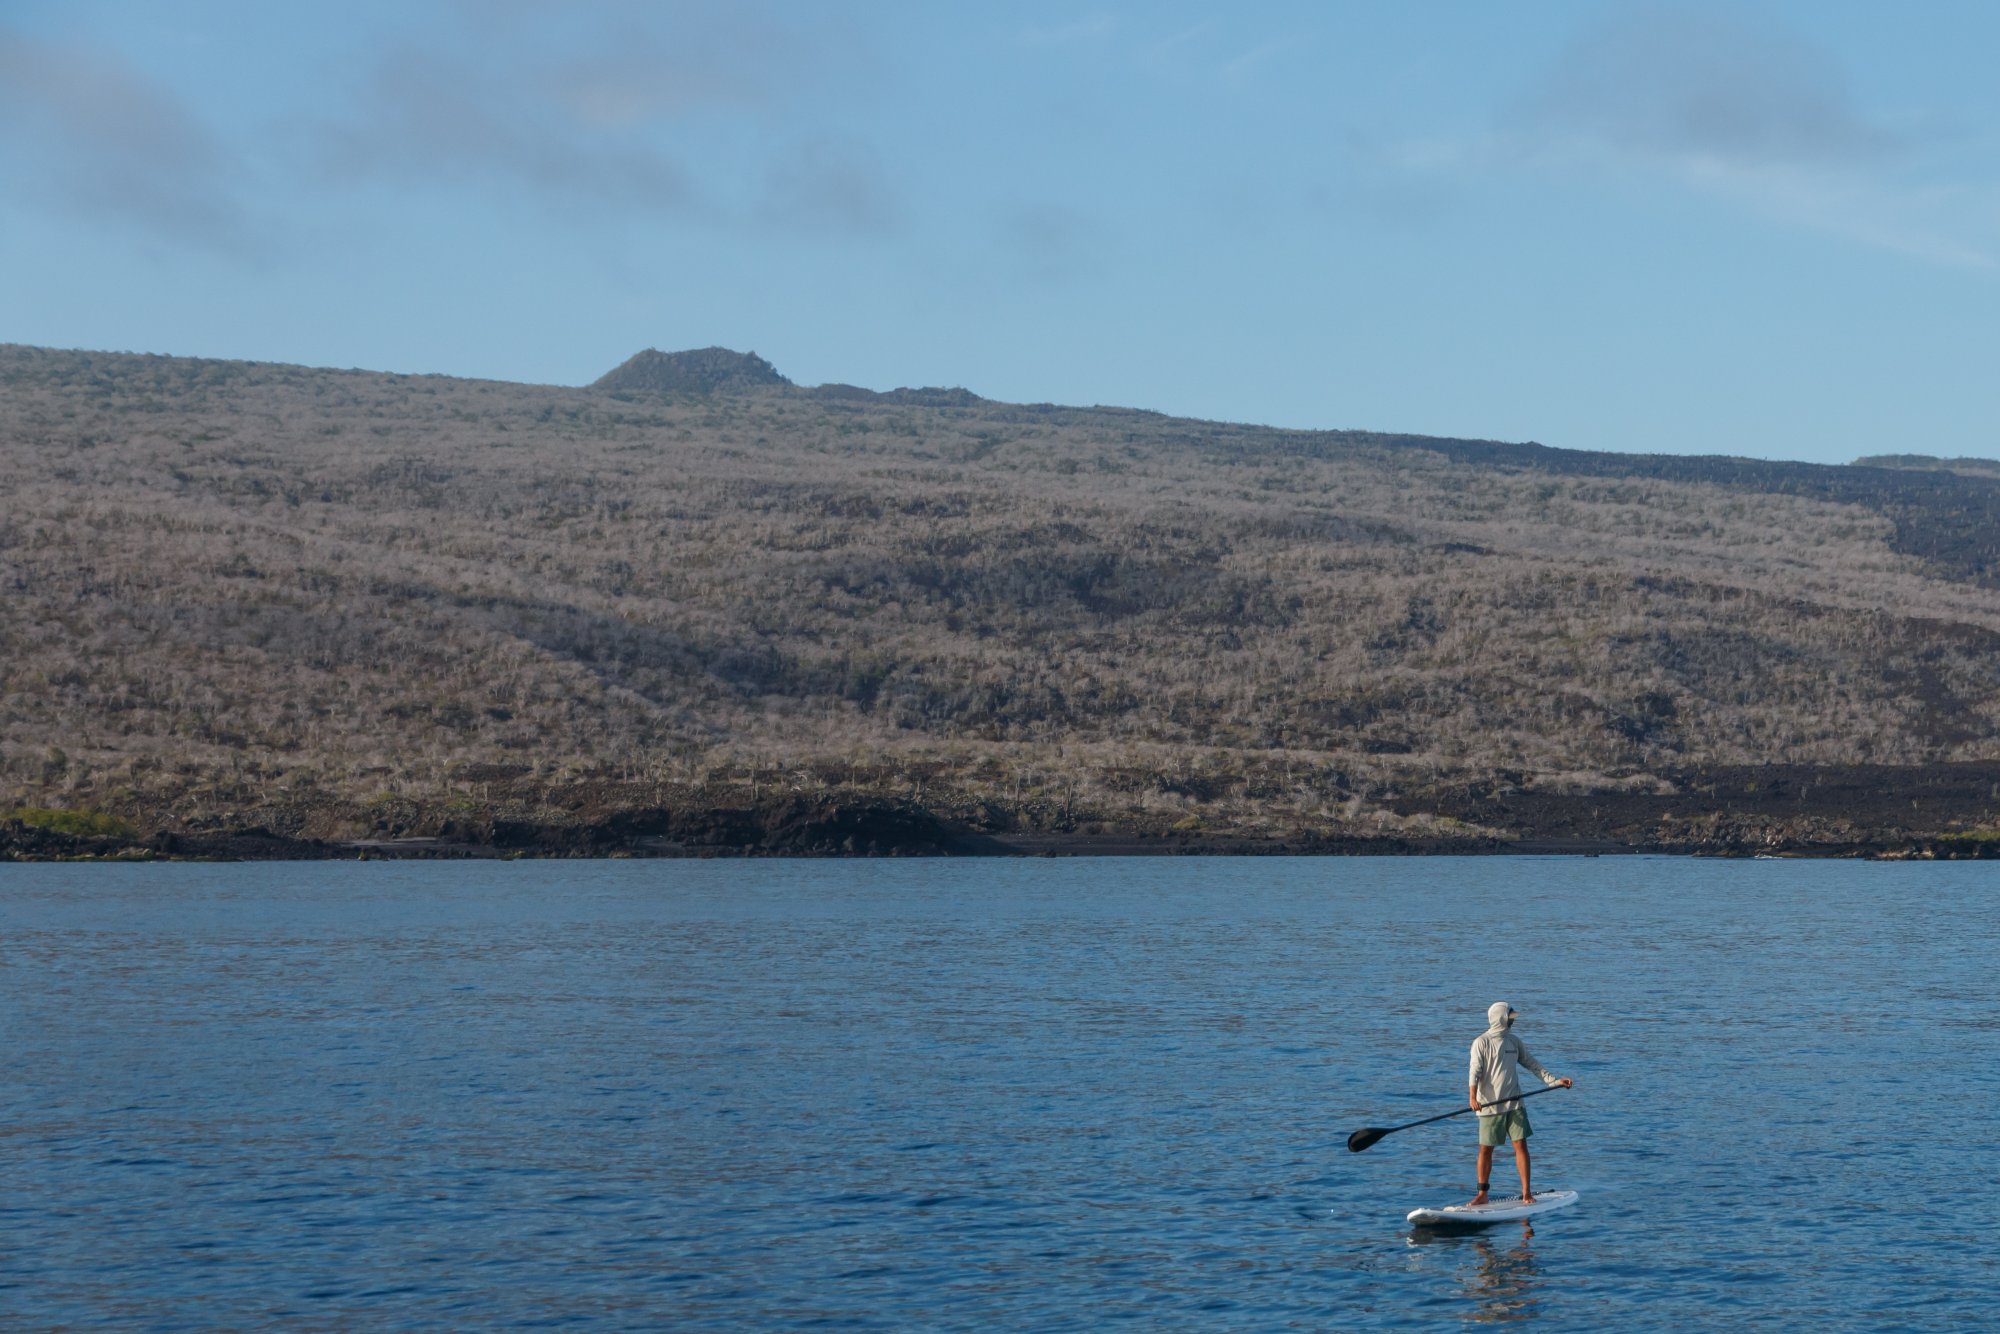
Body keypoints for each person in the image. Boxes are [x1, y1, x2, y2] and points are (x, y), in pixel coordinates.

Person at [1468, 1001, 1572, 1205]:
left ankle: (1526, 1193)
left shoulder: (1514, 1042)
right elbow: (1475, 1071)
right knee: (1486, 1149)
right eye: (1509, 1018)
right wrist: (1472, 1097)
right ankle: (1482, 1194)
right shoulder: (1481, 1042)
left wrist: (1555, 1082)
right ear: (1500, 1018)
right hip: (1489, 1106)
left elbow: (1532, 1064)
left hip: (1515, 1104)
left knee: (1521, 1146)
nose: (1512, 1022)